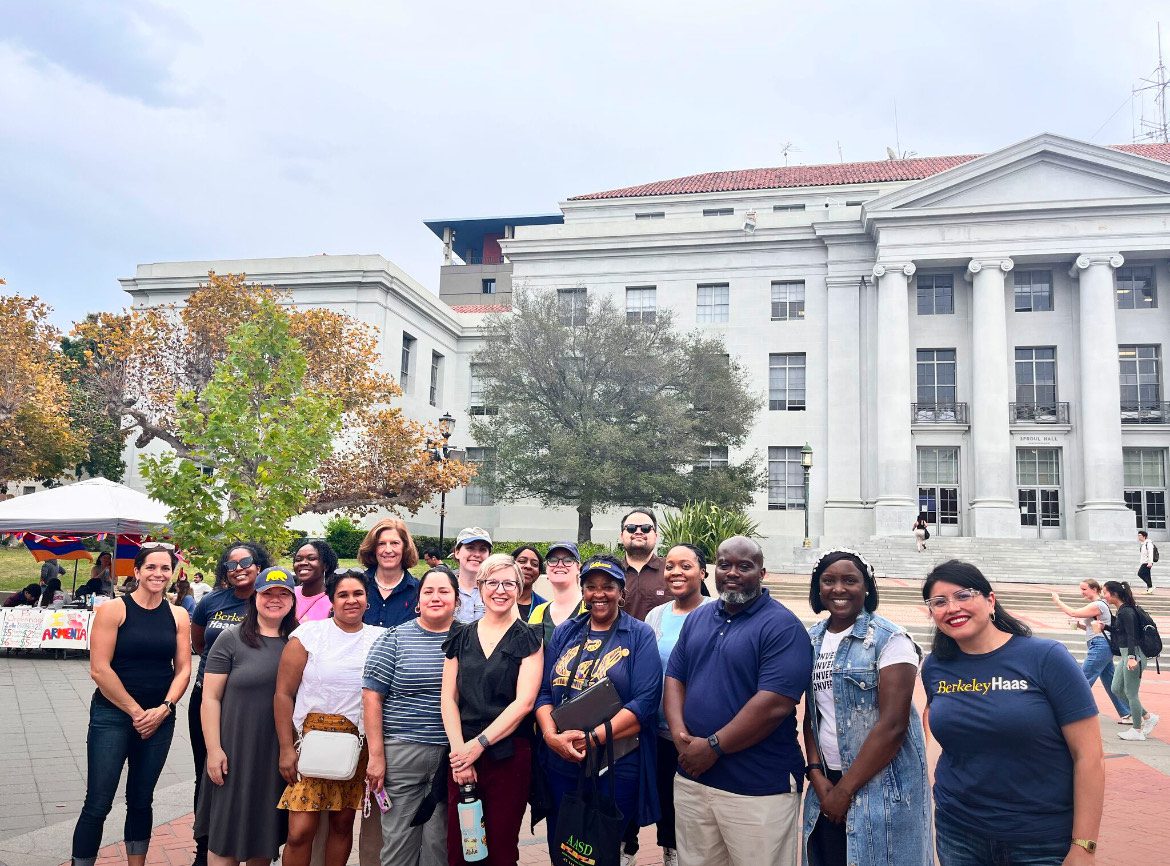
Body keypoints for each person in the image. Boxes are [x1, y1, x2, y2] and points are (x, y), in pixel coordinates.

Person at [921, 560, 1104, 865]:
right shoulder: (936, 666)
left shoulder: (1046, 657)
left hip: (1041, 839)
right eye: (939, 602)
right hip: (959, 832)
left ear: (990, 600)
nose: (952, 608)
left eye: (963, 595)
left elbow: (1089, 756)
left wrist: (1084, 846)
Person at [663, 536, 813, 866]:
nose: (732, 573)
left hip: (757, 787)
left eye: (744, 566)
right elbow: (674, 677)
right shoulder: (698, 618)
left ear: (762, 573)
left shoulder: (783, 627)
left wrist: (713, 747)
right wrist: (679, 736)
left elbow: (774, 704)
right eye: (725, 565)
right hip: (693, 780)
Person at [801, 550, 930, 866]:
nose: (839, 589)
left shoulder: (890, 639)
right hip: (827, 782)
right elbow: (813, 716)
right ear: (818, 588)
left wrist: (844, 791)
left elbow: (893, 725)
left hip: (881, 784)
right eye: (828, 581)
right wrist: (816, 774)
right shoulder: (811, 640)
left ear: (867, 587)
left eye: (850, 580)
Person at [70, 543, 192, 866]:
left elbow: (183, 669)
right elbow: (99, 669)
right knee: (98, 802)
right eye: (151, 567)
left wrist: (165, 708)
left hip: (160, 719)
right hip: (112, 716)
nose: (158, 573)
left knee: (141, 800)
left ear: (172, 573)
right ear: (137, 571)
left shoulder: (178, 615)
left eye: (165, 568)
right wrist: (138, 713)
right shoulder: (114, 610)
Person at [537, 555, 663, 864]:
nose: (599, 593)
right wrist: (551, 737)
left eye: (608, 586)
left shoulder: (639, 635)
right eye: (591, 586)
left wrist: (591, 739)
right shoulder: (566, 632)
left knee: (600, 852)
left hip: (614, 763)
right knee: (562, 847)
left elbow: (644, 703)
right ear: (582, 592)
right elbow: (543, 692)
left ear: (622, 592)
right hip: (563, 758)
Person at [276, 569, 384, 866]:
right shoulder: (308, 635)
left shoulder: (380, 638)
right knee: (299, 831)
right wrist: (286, 748)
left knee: (342, 824)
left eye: (358, 594)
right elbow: (283, 693)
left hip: (355, 743)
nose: (351, 600)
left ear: (367, 600)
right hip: (310, 742)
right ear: (332, 601)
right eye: (343, 595)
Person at [440, 553, 543, 866]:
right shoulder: (460, 635)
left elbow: (524, 703)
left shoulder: (530, 638)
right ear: (480, 586)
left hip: (508, 755)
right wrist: (460, 754)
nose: (500, 590)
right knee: (461, 848)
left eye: (509, 583)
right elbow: (448, 699)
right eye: (492, 582)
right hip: (461, 754)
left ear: (519, 588)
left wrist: (479, 746)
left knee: (500, 848)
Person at [195, 567, 298, 866]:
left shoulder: (300, 641)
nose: (275, 600)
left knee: (262, 838)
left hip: (276, 754)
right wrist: (214, 750)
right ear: (255, 597)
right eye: (268, 593)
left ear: (293, 600)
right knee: (224, 839)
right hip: (234, 752)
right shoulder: (231, 639)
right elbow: (210, 698)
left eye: (283, 594)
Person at [362, 566, 459, 866]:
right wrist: (376, 756)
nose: (435, 597)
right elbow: (372, 697)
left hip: (452, 757)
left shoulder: (470, 638)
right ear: (418, 600)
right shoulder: (394, 638)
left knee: (439, 847)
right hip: (402, 754)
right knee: (399, 844)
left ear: (457, 600)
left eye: (444, 591)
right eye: (428, 591)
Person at [190, 542, 272, 866]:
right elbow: (199, 643)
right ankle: (204, 846)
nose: (239, 569)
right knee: (207, 771)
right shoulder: (211, 601)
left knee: (248, 773)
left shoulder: (267, 600)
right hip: (207, 695)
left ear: (259, 565)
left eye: (246, 561)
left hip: (248, 704)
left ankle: (247, 841)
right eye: (231, 564)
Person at [643, 544, 714, 866]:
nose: (676, 572)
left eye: (686, 566)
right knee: (666, 801)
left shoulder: (716, 612)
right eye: (670, 566)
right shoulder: (655, 616)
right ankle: (671, 854)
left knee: (700, 808)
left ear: (703, 572)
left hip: (699, 735)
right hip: (659, 731)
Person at [1050, 580, 1131, 722]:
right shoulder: (1099, 604)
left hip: (1100, 646)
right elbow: (1094, 628)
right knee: (1111, 682)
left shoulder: (1098, 605)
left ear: (1094, 589)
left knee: (1082, 679)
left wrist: (1057, 601)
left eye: (1084, 589)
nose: (1082, 592)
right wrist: (1080, 626)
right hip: (1101, 645)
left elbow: (1073, 612)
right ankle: (1128, 713)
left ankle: (1066, 712)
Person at [1101, 580, 1159, 741]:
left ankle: (1137, 730)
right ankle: (1148, 717)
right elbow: (1121, 631)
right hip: (1127, 654)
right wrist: (1105, 627)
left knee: (1131, 693)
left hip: (1134, 655)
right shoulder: (1123, 610)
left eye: (1105, 593)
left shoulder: (1126, 611)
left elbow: (1132, 636)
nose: (1104, 596)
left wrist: (1132, 657)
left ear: (1114, 594)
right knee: (1116, 688)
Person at [361, 518, 422, 629]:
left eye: (394, 543)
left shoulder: (419, 592)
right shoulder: (358, 586)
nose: (388, 550)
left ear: (405, 547)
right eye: (381, 544)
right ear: (373, 548)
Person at [528, 542, 585, 644]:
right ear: (546, 569)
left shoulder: (591, 608)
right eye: (553, 560)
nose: (560, 565)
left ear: (578, 568)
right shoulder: (538, 612)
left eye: (568, 560)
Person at [619, 509, 668, 620]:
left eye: (646, 528)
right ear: (621, 536)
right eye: (631, 528)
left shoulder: (672, 571)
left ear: (656, 536)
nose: (638, 532)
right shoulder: (611, 572)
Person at [452, 527, 492, 623]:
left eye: (483, 549)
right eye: (470, 548)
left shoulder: (495, 590)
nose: (477, 554)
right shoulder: (445, 588)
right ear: (457, 552)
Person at [293, 540, 338, 625]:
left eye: (311, 558)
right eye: (298, 559)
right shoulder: (289, 593)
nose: (302, 563)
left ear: (326, 566)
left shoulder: (333, 600)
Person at [511, 545, 547, 621]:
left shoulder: (545, 608)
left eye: (534, 564)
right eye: (522, 561)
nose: (528, 566)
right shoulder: (497, 599)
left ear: (539, 573)